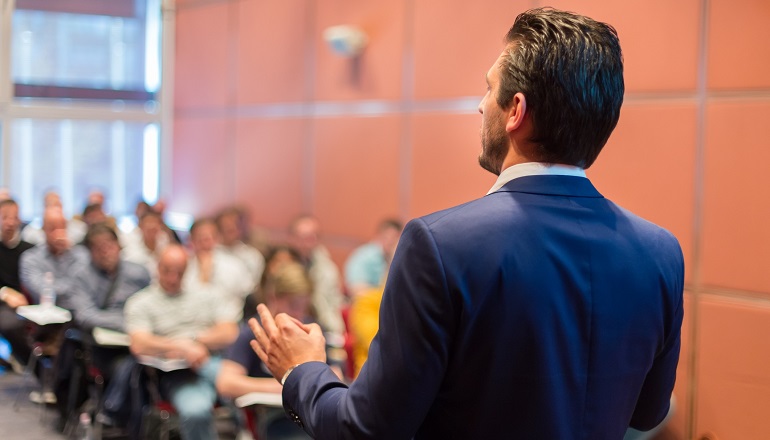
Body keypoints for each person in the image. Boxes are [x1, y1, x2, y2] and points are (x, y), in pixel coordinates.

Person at [249, 8, 684, 439]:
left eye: (488, 88)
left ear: (515, 110)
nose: (480, 105)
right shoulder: (660, 252)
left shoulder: (439, 246)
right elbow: (647, 413)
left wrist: (301, 370)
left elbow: (367, 430)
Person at [124, 245, 239, 440]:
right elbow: (139, 343)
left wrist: (195, 342)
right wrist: (181, 347)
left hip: (212, 363)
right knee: (197, 411)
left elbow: (229, 332)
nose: (172, 278)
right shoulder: (141, 302)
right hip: (177, 373)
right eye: (167, 271)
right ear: (157, 267)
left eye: (179, 272)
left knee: (251, 397)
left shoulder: (204, 295)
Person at [287, 215, 345, 337]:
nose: (310, 242)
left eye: (314, 236)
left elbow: (335, 303)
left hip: (324, 327)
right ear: (292, 238)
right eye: (305, 237)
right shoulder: (282, 263)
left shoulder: (327, 267)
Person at [0, 199, 35, 367]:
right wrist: (5, 293)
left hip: (28, 302)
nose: (10, 222)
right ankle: (30, 364)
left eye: (14, 217)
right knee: (9, 323)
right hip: (4, 304)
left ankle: (35, 366)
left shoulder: (30, 250)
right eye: (5, 217)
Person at [343, 218, 402, 298]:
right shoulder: (364, 256)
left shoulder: (391, 257)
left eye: (396, 238)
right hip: (364, 306)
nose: (392, 241)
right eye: (389, 237)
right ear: (380, 236)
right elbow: (357, 290)